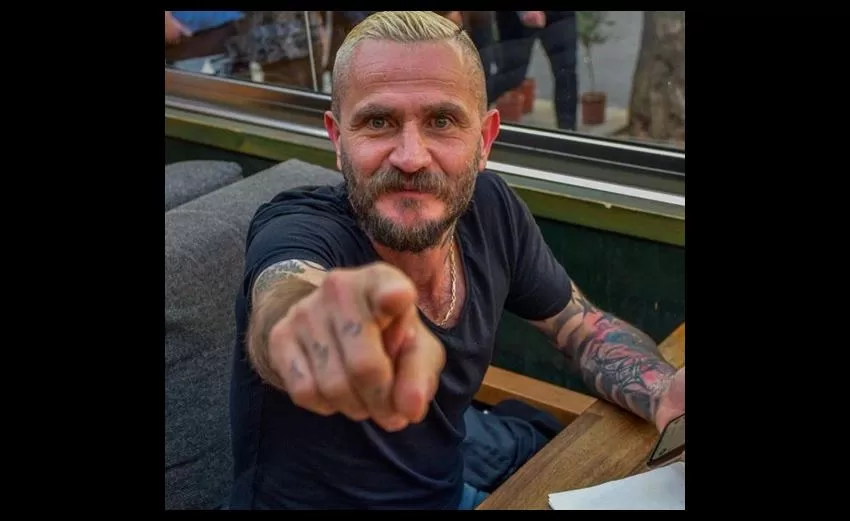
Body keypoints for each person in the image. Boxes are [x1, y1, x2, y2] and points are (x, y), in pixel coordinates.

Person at [228, 11, 685, 510]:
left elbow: (582, 328)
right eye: (378, 122)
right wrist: (315, 327)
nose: (411, 157)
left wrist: (664, 392)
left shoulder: (491, 208)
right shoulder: (299, 228)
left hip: (450, 489)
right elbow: (284, 296)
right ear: (338, 139)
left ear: (484, 140)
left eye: (441, 121)